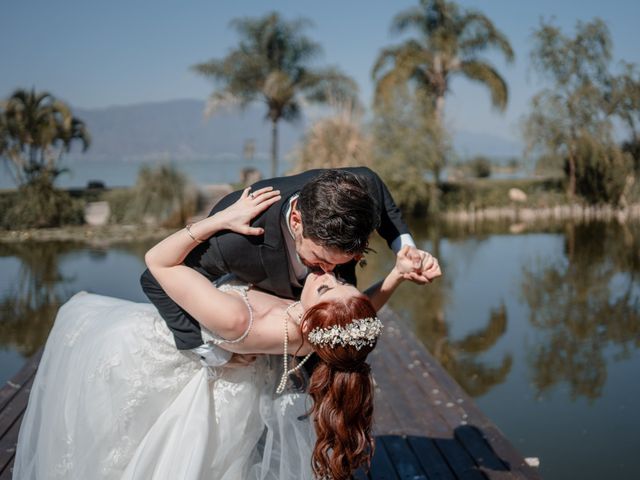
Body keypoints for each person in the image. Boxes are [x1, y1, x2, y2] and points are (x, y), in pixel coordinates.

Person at [13, 186, 441, 480]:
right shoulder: (322, 331)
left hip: (144, 348)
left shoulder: (238, 319)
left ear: (314, 314)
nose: (328, 272)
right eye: (337, 278)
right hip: (218, 364)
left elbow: (158, 263)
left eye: (329, 283)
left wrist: (217, 221)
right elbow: (352, 316)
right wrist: (396, 278)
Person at [140, 167, 438, 367]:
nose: (328, 273)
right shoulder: (232, 241)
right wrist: (208, 352)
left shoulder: (359, 190)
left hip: (319, 334)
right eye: (318, 260)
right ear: (297, 221)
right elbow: (154, 279)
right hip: (251, 346)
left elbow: (378, 189)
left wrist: (405, 249)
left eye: (343, 264)